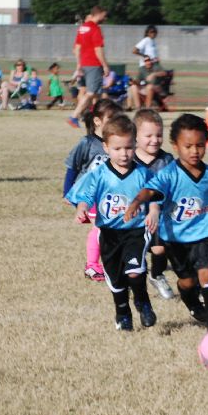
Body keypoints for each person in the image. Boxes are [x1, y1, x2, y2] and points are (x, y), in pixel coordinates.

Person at [125, 114, 208, 330]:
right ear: (175, 145)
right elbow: (150, 190)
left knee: (207, 275)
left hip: (204, 234)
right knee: (187, 282)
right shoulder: (169, 174)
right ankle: (191, 301)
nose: (195, 151)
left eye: (200, 145)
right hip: (176, 239)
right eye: (188, 146)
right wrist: (136, 201)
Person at [71, 116, 159, 332]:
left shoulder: (143, 173)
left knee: (135, 271)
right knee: (116, 279)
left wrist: (153, 211)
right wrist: (82, 208)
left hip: (136, 231)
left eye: (128, 148)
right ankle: (123, 313)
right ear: (106, 147)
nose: (124, 154)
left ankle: (142, 301)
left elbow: (155, 195)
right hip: (109, 233)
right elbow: (86, 196)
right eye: (117, 149)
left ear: (135, 145)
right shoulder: (99, 174)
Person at [64, 99, 124, 281]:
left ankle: (113, 262)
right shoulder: (87, 142)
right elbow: (72, 166)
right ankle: (92, 265)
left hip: (111, 197)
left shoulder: (118, 144)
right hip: (90, 196)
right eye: (111, 119)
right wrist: (67, 192)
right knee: (99, 227)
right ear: (97, 121)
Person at [132, 108, 177, 300]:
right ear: (135, 136)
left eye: (159, 135)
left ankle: (156, 275)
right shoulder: (128, 159)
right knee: (134, 256)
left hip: (160, 217)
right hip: (133, 219)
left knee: (160, 249)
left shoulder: (167, 161)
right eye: (148, 135)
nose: (155, 140)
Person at [68, 5, 109, 129]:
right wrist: (105, 65)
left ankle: (96, 119)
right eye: (104, 15)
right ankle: (74, 116)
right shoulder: (95, 29)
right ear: (99, 14)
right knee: (91, 93)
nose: (105, 18)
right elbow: (98, 50)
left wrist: (79, 64)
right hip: (93, 64)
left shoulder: (82, 28)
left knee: (95, 93)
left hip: (84, 64)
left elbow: (76, 49)